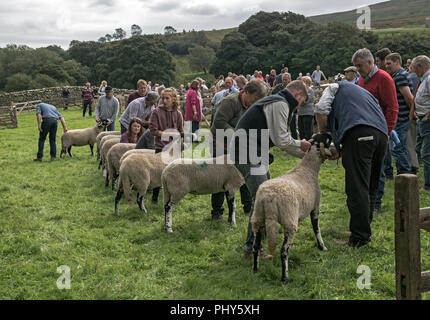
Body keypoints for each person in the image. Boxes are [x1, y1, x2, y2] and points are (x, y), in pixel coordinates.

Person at [229, 80, 311, 259]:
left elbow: (283, 143)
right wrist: (302, 144)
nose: (299, 107)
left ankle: (258, 242)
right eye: (302, 102)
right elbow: (282, 139)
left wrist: (308, 158)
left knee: (266, 196)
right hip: (248, 151)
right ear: (297, 94)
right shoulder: (280, 103)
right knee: (262, 197)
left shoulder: (278, 101)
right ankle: (252, 249)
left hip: (253, 150)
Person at [315, 82, 388, 247]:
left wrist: (324, 132)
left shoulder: (334, 87)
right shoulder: (362, 93)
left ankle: (359, 237)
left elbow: (320, 109)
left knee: (357, 187)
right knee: (371, 184)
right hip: (381, 134)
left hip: (359, 133)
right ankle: (362, 227)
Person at [210, 79, 267, 221]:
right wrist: (237, 135)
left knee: (245, 173)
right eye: (254, 98)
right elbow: (218, 122)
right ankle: (217, 211)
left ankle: (247, 206)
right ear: (246, 92)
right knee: (220, 177)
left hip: (242, 145)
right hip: (221, 143)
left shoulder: (254, 106)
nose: (256, 102)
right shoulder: (230, 102)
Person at [353, 48, 398, 214]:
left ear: (370, 63)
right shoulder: (361, 80)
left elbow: (392, 107)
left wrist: (387, 132)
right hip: (365, 131)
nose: (358, 69)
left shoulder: (384, 79)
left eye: (360, 66)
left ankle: (376, 203)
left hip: (379, 131)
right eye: (356, 66)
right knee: (367, 168)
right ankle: (367, 200)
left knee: (377, 169)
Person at [149, 88, 184, 203]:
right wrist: (167, 133)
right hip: (161, 146)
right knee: (158, 172)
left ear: (173, 99)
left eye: (167, 98)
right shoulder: (156, 112)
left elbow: (181, 131)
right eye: (163, 98)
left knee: (175, 172)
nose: (164, 101)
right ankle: (154, 198)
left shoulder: (178, 114)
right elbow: (153, 130)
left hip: (174, 148)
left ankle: (173, 197)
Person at [385, 52, 414, 176]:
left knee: (398, 147)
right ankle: (404, 171)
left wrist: (411, 114)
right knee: (398, 146)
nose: (386, 66)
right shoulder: (398, 74)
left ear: (397, 62)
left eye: (389, 63)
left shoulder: (400, 76)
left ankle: (404, 173)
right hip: (401, 117)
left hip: (402, 117)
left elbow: (408, 97)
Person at [410, 55, 430, 191]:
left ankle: (428, 185)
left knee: (426, 152)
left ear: (420, 67)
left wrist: (428, 115)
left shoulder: (428, 79)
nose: (412, 71)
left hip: (426, 121)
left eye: (413, 68)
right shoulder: (423, 80)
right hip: (421, 119)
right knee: (419, 149)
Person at [298, 76, 315, 140]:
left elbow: (305, 101)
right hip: (300, 113)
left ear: (307, 82)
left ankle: (308, 145)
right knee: (301, 130)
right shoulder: (301, 91)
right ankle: (302, 144)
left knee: (307, 131)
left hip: (308, 113)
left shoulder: (310, 90)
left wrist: (299, 101)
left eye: (302, 81)